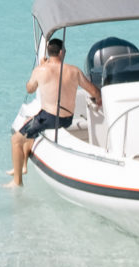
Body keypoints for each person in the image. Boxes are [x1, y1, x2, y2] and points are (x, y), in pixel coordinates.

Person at [10, 37, 101, 188]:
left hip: (49, 119)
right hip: (67, 119)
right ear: (60, 52)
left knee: (16, 140)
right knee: (34, 123)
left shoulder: (40, 70)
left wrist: (40, 68)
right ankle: (24, 166)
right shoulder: (74, 71)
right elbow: (93, 91)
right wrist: (98, 100)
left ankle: (17, 182)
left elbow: (29, 89)